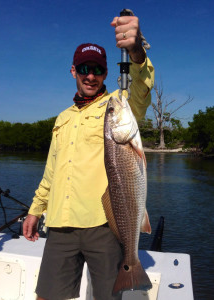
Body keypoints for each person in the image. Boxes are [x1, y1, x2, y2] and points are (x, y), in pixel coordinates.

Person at [23, 13, 154, 300]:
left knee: (108, 296)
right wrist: (35, 209)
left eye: (97, 69)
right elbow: (52, 171)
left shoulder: (118, 104)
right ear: (73, 71)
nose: (91, 76)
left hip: (104, 225)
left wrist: (135, 52)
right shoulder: (62, 118)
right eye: (84, 68)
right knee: (46, 296)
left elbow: (142, 90)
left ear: (106, 73)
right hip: (58, 224)